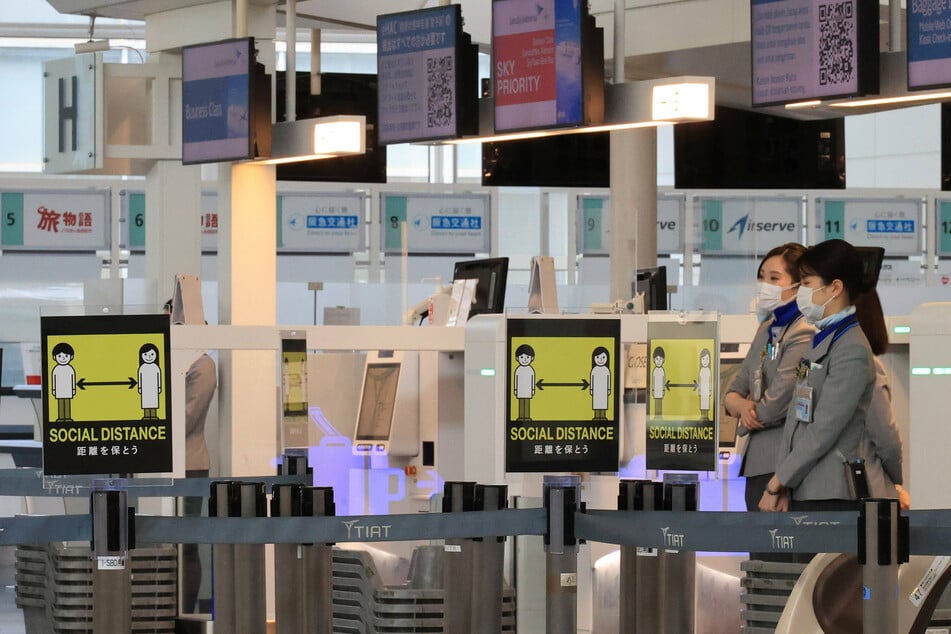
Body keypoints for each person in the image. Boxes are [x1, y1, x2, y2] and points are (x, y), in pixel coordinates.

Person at [759, 239, 878, 514]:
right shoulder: (823, 338)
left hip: (829, 491)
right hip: (804, 485)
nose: (801, 292)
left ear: (835, 288)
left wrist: (778, 482)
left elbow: (824, 428)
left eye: (807, 283)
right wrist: (786, 479)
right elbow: (797, 418)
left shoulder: (852, 349)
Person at [724, 243, 814, 513]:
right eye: (762, 277)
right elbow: (732, 390)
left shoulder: (804, 332)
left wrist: (750, 412)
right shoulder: (767, 329)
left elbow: (777, 402)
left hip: (783, 466)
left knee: (779, 551)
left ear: (800, 286)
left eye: (774, 278)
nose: (764, 285)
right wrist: (739, 405)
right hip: (756, 464)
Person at [165, 299, 217, 613]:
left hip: (190, 465)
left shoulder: (202, 365)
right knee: (169, 541)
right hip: (166, 466)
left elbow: (187, 419)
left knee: (186, 545)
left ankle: (184, 609)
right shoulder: (173, 362)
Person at [853, 266, 909, 508]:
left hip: (866, 488)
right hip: (866, 487)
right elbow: (887, 439)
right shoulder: (867, 363)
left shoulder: (865, 364)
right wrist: (897, 482)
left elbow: (885, 437)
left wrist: (895, 482)